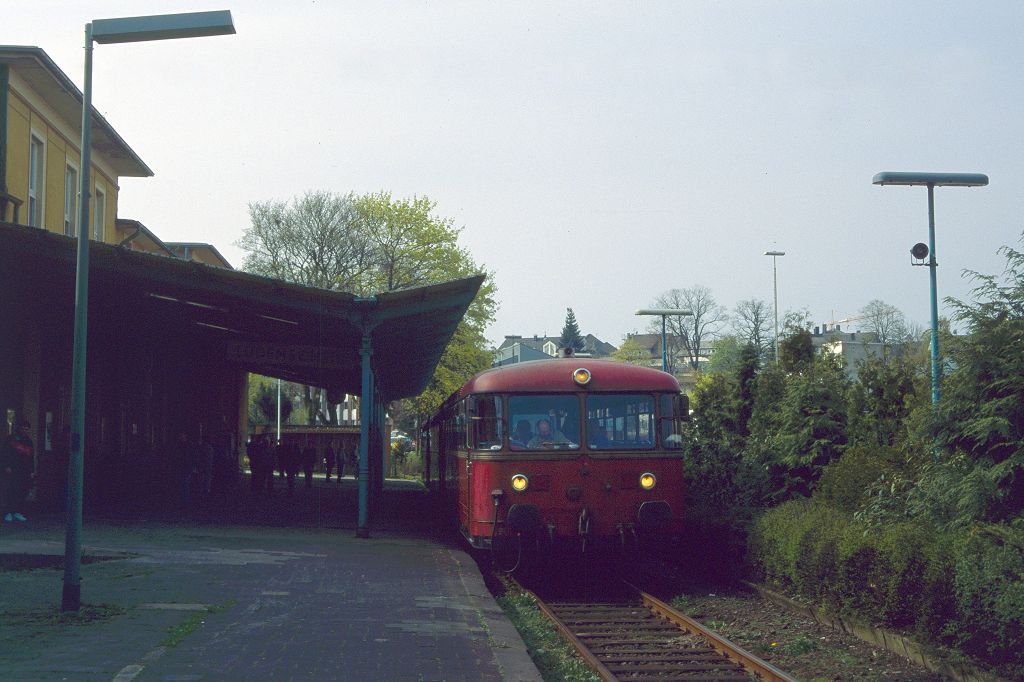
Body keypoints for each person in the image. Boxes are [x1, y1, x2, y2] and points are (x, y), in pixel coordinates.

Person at [2, 419, 35, 522]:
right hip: (13, 469)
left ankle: (17, 511)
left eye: (27, 429)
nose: (25, 431)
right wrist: (6, 466)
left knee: (22, 491)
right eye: (23, 428)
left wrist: (31, 470)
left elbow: (31, 457)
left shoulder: (29, 441)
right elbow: (5, 453)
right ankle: (8, 512)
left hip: (24, 470)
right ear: (19, 428)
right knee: (11, 490)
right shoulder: (11, 439)